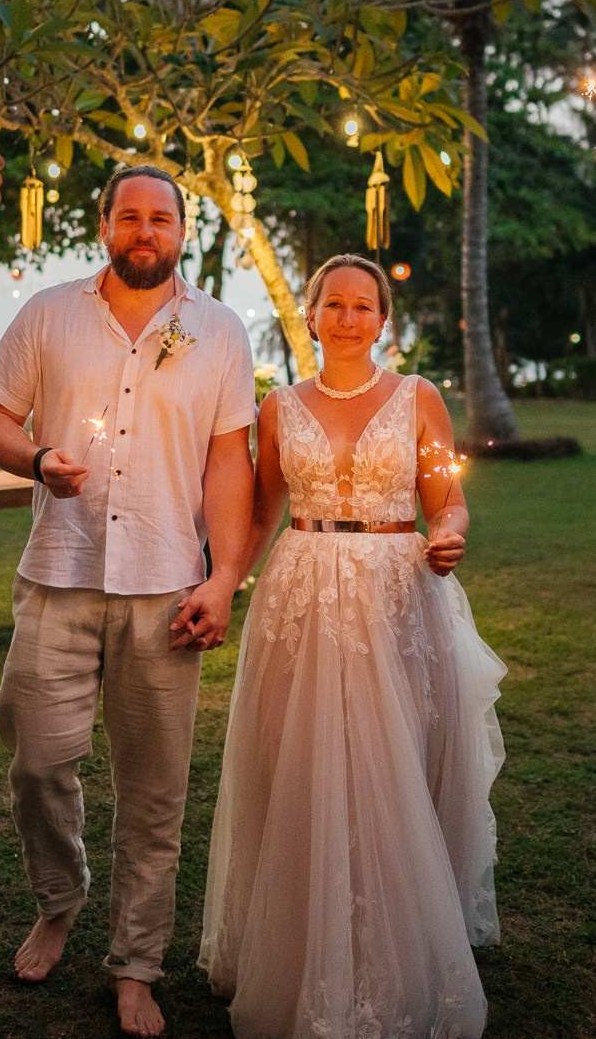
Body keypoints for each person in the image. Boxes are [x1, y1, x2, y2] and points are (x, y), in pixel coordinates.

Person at [0, 164, 255, 1038]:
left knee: (154, 792)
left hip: (167, 586)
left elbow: (228, 466)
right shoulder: (49, 314)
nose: (145, 230)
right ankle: (60, 897)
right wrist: (38, 460)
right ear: (103, 225)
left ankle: (135, 962)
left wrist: (222, 577)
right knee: (37, 759)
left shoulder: (219, 330)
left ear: (181, 231)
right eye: (129, 215)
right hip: (59, 571)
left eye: (161, 218)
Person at [199, 255, 504, 1038]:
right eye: (332, 303)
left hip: (396, 592)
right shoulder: (277, 405)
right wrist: (226, 575)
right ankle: (301, 933)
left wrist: (449, 534)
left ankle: (399, 925)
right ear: (310, 314)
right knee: (298, 759)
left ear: (382, 318)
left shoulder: (418, 398)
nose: (346, 316)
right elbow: (264, 506)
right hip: (299, 592)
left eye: (361, 305)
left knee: (396, 755)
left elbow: (449, 495)